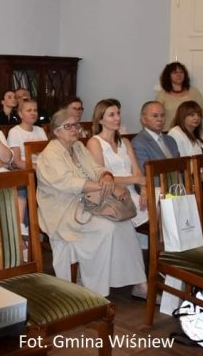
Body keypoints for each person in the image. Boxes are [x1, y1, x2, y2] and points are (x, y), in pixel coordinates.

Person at [36, 109, 146, 298]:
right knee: (106, 228)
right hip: (63, 211)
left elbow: (97, 168)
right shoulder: (50, 154)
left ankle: (138, 284)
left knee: (125, 224)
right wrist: (109, 188)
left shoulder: (78, 147)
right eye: (67, 126)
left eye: (75, 125)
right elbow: (68, 183)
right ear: (56, 131)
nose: (74, 130)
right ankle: (94, 291)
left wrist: (106, 176)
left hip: (88, 204)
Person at [86, 99, 148, 228]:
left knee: (165, 199)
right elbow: (101, 177)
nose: (118, 118)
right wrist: (137, 179)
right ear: (100, 120)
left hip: (134, 190)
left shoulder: (125, 142)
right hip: (115, 193)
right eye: (112, 115)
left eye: (118, 113)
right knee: (157, 207)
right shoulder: (95, 142)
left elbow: (137, 170)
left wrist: (144, 190)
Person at [155, 61, 203, 130]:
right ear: (168, 76)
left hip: (190, 133)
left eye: (181, 72)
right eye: (175, 72)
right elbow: (156, 115)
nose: (179, 75)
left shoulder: (194, 91)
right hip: (169, 132)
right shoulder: (162, 94)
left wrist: (192, 113)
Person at [132, 101, 180, 174]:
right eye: (155, 116)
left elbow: (180, 167)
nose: (160, 119)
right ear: (143, 119)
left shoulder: (171, 140)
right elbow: (145, 173)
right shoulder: (138, 143)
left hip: (178, 184)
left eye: (162, 115)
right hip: (157, 185)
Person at [8, 99, 48, 169]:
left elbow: (47, 154)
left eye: (35, 110)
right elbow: (16, 162)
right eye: (29, 110)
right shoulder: (14, 132)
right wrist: (39, 169)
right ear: (20, 114)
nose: (33, 113)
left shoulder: (40, 130)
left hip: (43, 167)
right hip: (25, 171)